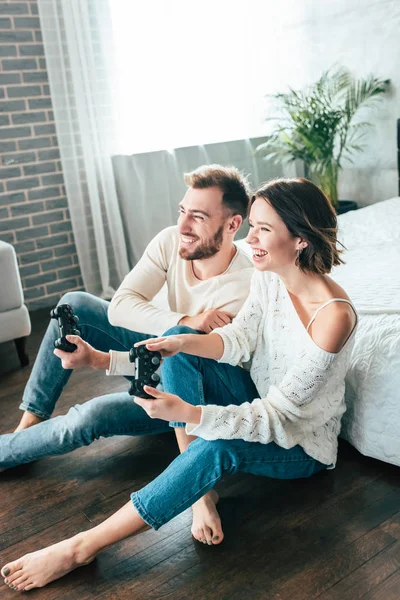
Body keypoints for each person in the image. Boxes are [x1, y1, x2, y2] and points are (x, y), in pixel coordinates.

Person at [1, 178, 358, 593]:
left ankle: (79, 548)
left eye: (263, 229)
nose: (250, 239)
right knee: (179, 347)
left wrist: (188, 414)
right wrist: (181, 340)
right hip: (253, 398)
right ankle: (195, 488)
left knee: (214, 447)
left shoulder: (333, 317)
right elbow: (238, 339)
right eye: (252, 226)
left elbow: (276, 418)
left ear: (299, 239)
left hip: (299, 444)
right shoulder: (271, 276)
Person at [0, 164, 253, 542]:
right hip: (157, 357)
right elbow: (120, 306)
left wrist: (113, 357)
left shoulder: (243, 287)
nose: (183, 226)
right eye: (182, 211)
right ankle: (26, 431)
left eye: (198, 217)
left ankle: (197, 483)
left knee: (89, 416)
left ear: (233, 225)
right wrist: (188, 319)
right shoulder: (172, 240)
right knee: (76, 303)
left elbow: (193, 367)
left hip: (192, 399)